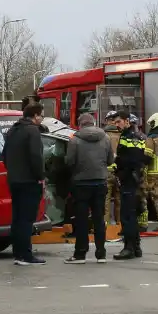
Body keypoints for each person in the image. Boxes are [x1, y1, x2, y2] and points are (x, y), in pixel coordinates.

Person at [64, 113, 114, 264]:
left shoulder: (75, 139)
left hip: (81, 184)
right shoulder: (105, 138)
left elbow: (69, 162)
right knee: (99, 218)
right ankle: (101, 253)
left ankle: (80, 254)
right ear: (93, 123)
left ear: (80, 124)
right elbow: (111, 159)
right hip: (100, 182)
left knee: (81, 219)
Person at [2, 102, 48, 266]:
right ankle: (26, 255)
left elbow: (4, 155)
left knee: (17, 218)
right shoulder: (32, 131)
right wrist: (40, 177)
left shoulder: (13, 130)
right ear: (35, 115)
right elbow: (36, 157)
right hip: (29, 181)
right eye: (41, 115)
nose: (42, 118)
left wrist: (13, 171)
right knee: (27, 219)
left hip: (14, 181)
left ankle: (18, 253)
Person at [112, 111, 149, 260]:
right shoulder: (137, 135)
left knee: (127, 216)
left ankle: (129, 248)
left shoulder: (129, 136)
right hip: (134, 179)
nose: (117, 125)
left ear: (127, 121)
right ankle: (136, 247)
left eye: (119, 121)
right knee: (132, 214)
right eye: (115, 122)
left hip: (129, 180)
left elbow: (131, 159)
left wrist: (118, 164)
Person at [129, 113, 150, 229]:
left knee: (138, 197)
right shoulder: (143, 137)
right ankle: (142, 223)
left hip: (137, 170)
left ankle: (140, 223)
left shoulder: (129, 136)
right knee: (141, 197)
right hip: (140, 169)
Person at [102, 111, 122, 227]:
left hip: (106, 171)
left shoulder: (103, 136)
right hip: (119, 171)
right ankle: (120, 224)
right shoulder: (122, 135)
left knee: (106, 199)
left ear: (107, 121)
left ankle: (106, 225)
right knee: (120, 199)